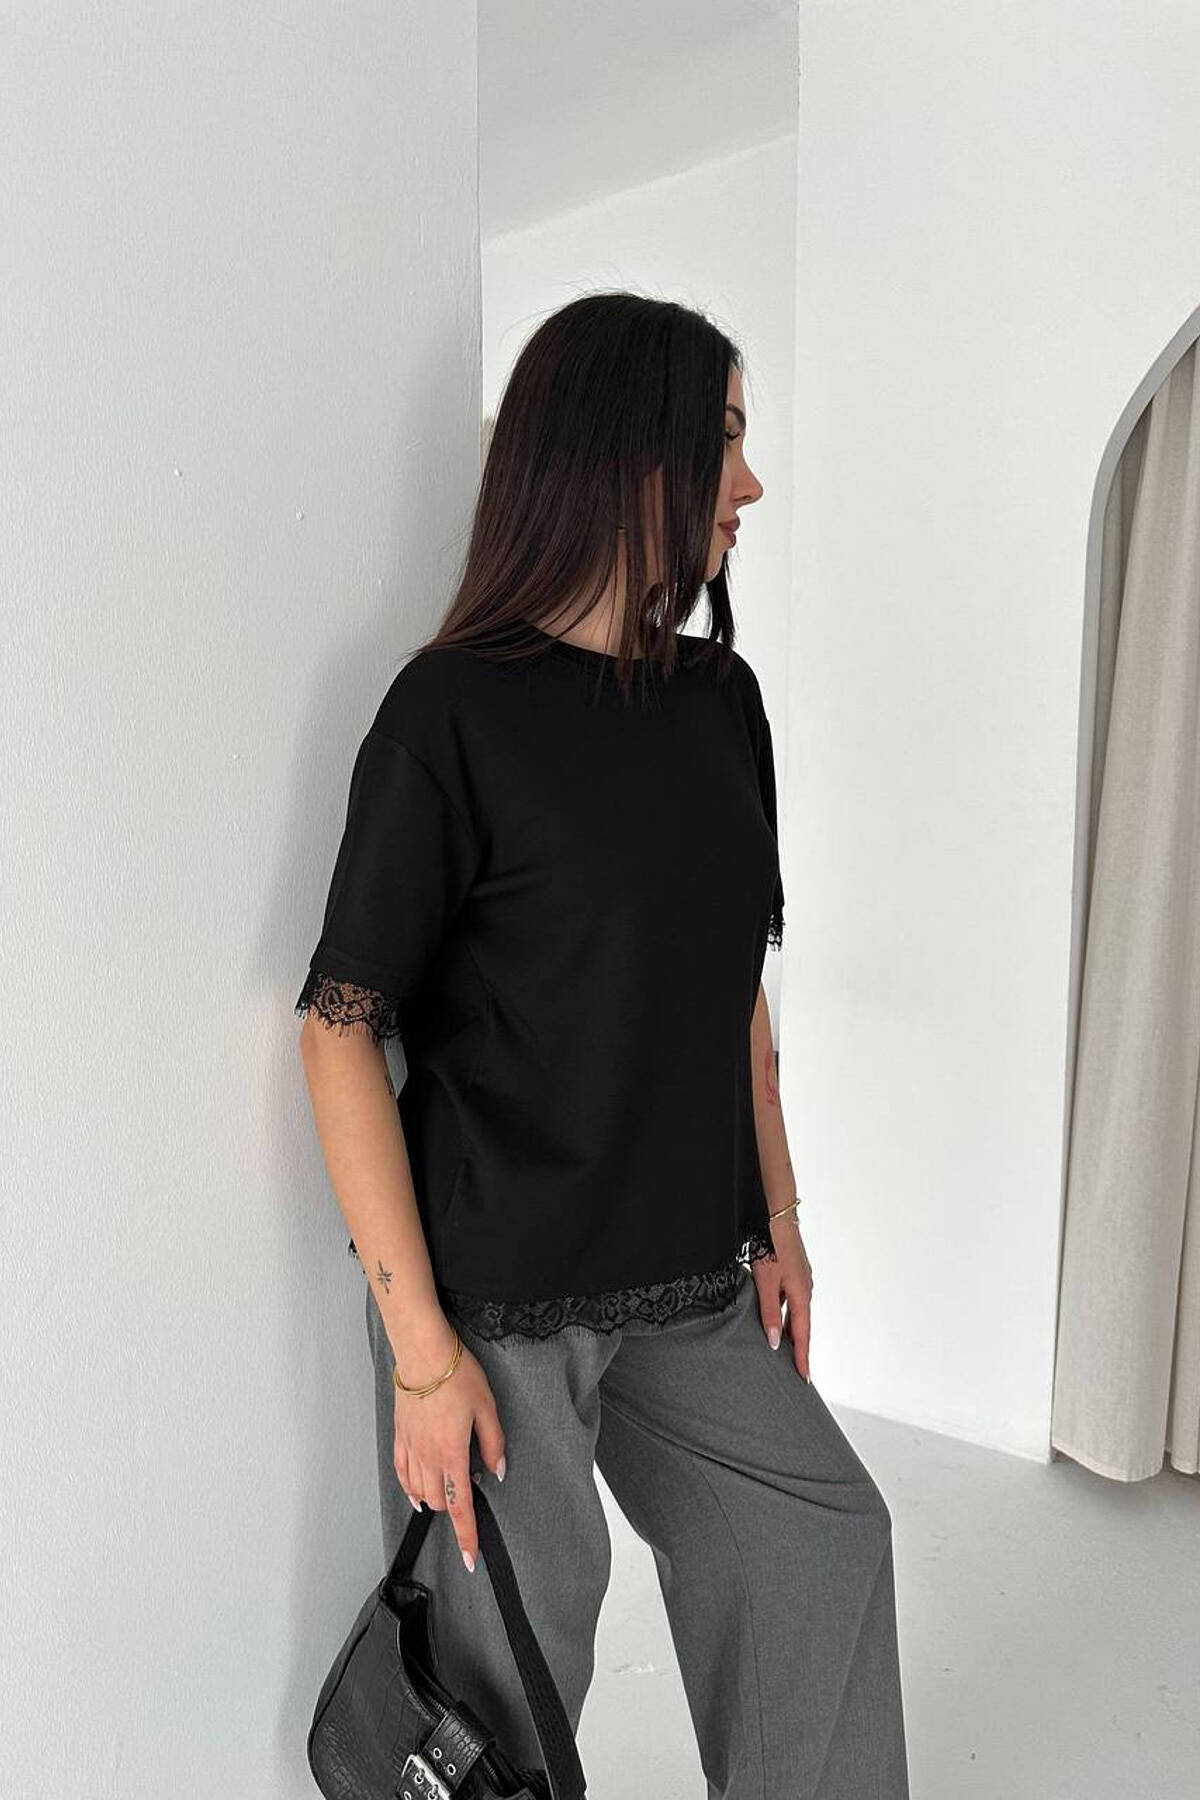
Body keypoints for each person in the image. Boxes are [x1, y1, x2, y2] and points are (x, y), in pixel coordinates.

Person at [296, 292, 910, 1798]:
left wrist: (779, 1214)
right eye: (723, 442)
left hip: (692, 1276)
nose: (748, 484)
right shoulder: (451, 714)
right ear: (627, 455)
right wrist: (423, 1359)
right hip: (502, 1308)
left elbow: (734, 988)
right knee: (512, 1698)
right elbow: (338, 1031)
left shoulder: (722, 703)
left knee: (822, 1539)